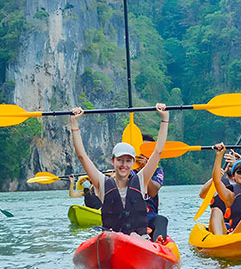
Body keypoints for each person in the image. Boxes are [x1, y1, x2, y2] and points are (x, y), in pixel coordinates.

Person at [69, 103, 169, 241]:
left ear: (133, 163)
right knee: (111, 235)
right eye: (120, 160)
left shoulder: (140, 180)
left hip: (137, 238)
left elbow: (157, 152)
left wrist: (165, 119)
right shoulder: (102, 182)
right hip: (113, 237)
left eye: (128, 161)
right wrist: (74, 123)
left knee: (134, 235)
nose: (124, 165)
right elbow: (82, 156)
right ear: (113, 161)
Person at [199, 151, 241, 235]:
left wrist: (240, 162)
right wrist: (215, 177)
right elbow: (202, 195)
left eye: (233, 163)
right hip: (222, 225)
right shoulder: (220, 183)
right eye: (228, 164)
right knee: (216, 211)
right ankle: (219, 241)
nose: (231, 165)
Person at [134, 134, 168, 242]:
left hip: (149, 215)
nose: (144, 155)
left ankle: (158, 242)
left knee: (162, 220)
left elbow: (153, 191)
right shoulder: (126, 170)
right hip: (130, 215)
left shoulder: (157, 171)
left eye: (148, 152)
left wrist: (145, 171)